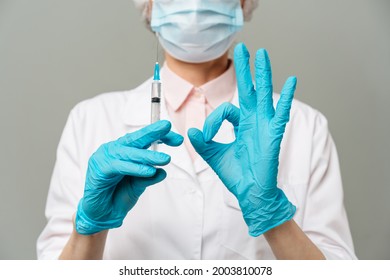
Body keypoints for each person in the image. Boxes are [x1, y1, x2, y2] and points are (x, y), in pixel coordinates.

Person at [37, 0, 356, 260]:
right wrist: (89, 228)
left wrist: (273, 217)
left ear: (243, 3)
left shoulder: (304, 125)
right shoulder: (89, 120)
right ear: (149, 6)